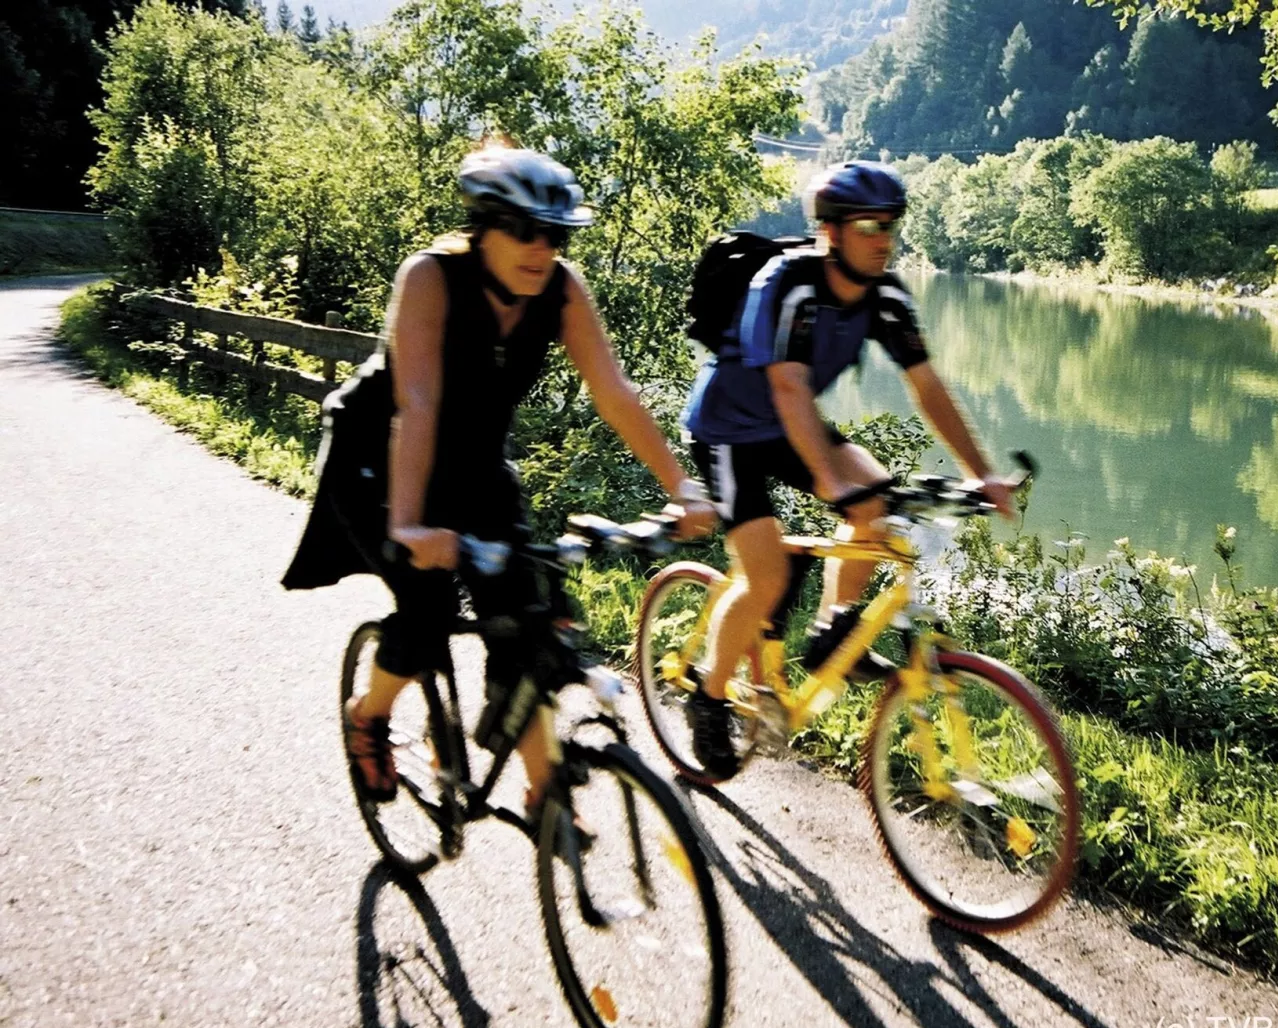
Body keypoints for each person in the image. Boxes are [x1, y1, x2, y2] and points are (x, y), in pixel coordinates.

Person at [283, 145, 718, 808]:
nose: (541, 248)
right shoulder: (431, 278)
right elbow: (417, 403)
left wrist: (679, 487)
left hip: (476, 467)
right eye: (523, 230)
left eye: (556, 233)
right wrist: (408, 524)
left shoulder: (562, 290)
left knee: (528, 619)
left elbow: (615, 394)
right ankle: (368, 715)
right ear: (484, 225)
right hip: (379, 459)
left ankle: (546, 800)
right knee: (426, 612)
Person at [679, 160, 1014, 778]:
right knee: (765, 573)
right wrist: (833, 483)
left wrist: (983, 474)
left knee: (878, 503)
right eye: (867, 224)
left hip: (789, 425)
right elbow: (787, 386)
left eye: (890, 224)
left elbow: (928, 385)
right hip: (729, 430)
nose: (883, 237)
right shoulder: (789, 284)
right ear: (830, 230)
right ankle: (708, 696)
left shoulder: (885, 294)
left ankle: (832, 630)